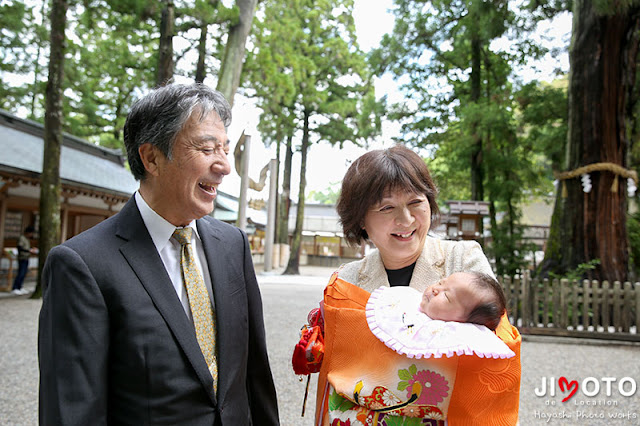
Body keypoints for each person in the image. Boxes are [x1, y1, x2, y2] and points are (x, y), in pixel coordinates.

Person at [38, 83, 279, 425]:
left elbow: (255, 375)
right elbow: (72, 410)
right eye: (207, 148)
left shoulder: (233, 245)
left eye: (225, 149)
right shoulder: (82, 265)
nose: (225, 166)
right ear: (151, 157)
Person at [310, 144, 520, 425]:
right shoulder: (346, 280)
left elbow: (496, 346)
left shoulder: (463, 259)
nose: (406, 220)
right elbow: (335, 370)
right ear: (361, 220)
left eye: (415, 202)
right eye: (387, 207)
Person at [366, 271, 515, 361]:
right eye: (441, 283)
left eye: (447, 297)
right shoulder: (408, 299)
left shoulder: (454, 339)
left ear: (463, 324)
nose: (436, 289)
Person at [11, 225, 36, 295]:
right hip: (22, 257)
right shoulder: (22, 238)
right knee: (21, 273)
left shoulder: (27, 239)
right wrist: (28, 251)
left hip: (26, 257)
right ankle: (15, 287)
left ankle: (20, 287)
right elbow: (20, 247)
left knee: (24, 273)